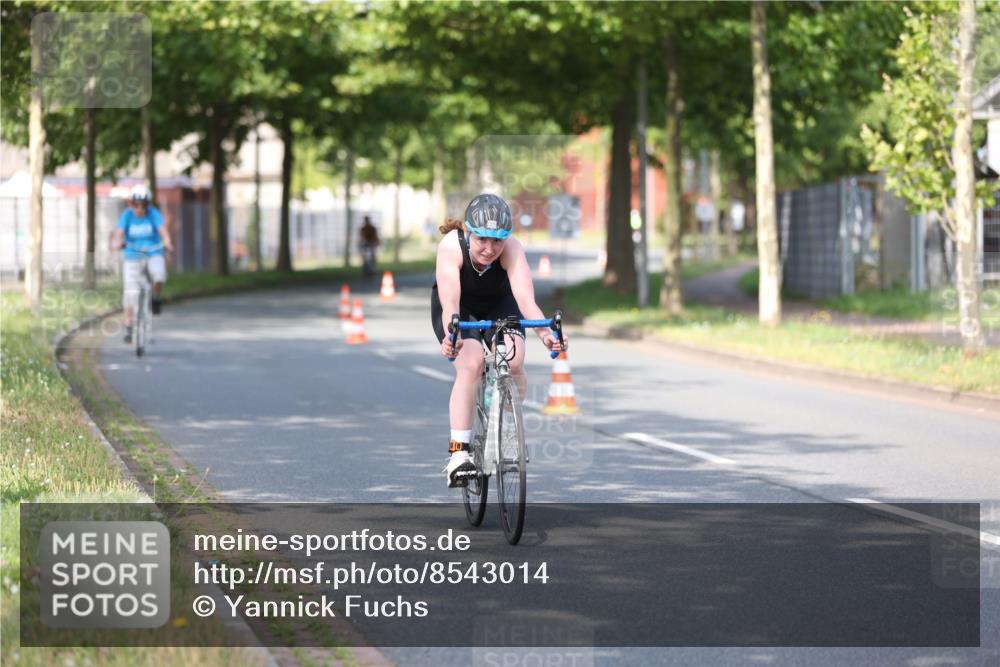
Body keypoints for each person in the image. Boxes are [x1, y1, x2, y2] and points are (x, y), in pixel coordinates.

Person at [431, 193, 568, 487]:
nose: (490, 249)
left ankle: (507, 430)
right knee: (471, 364)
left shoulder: (513, 248)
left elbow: (526, 300)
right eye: (482, 239)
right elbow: (450, 300)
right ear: (468, 231)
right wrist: (453, 335)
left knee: (514, 360)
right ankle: (459, 454)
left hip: (500, 303)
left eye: (498, 241)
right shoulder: (451, 246)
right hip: (461, 307)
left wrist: (546, 334)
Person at [109, 185, 173, 344]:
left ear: (147, 204)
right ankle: (129, 326)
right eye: (136, 205)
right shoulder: (127, 215)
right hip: (132, 255)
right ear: (131, 203)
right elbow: (119, 233)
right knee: (130, 293)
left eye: (143, 205)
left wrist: (167, 242)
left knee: (159, 276)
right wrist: (117, 242)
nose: (139, 208)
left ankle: (156, 298)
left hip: (153, 252)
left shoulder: (153, 214)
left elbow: (163, 231)